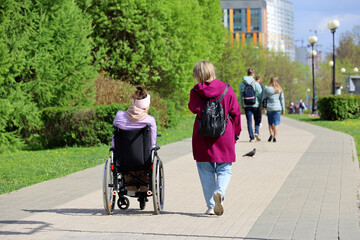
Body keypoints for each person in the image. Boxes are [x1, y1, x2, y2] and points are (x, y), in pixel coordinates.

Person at [188, 60, 241, 216]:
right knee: (225, 169)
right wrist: (236, 133)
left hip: (203, 135)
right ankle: (220, 192)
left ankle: (211, 207)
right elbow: (235, 112)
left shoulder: (195, 91)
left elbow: (192, 107)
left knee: (205, 170)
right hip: (224, 134)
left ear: (198, 75)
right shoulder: (227, 89)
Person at [111, 85, 157, 209]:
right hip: (143, 160)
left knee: (127, 165)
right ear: (146, 106)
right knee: (148, 160)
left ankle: (130, 188)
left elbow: (115, 138)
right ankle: (144, 188)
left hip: (123, 160)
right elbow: (153, 144)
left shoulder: (119, 116)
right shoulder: (149, 121)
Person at [239, 69, 263, 142]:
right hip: (256, 104)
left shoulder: (242, 84)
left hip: (246, 105)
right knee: (257, 120)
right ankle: (256, 132)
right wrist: (261, 104)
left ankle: (251, 138)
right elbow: (260, 94)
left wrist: (242, 104)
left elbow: (241, 95)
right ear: (253, 74)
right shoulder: (256, 83)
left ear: (247, 73)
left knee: (249, 121)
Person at [262, 77, 285, 143]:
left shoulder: (266, 89)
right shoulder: (280, 89)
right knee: (276, 123)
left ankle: (271, 134)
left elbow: (263, 98)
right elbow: (282, 100)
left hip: (269, 108)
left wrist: (262, 106)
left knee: (270, 123)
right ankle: (275, 138)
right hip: (277, 108)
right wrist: (283, 109)